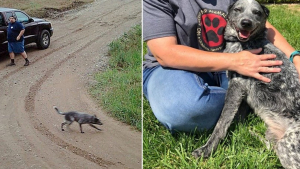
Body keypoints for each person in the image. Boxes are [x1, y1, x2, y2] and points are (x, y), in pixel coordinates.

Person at [143, 0, 300, 134]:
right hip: (173, 68)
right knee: (185, 110)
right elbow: (164, 53)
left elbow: (260, 22)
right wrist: (235, 62)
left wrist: (295, 58)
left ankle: (248, 104)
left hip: (227, 67)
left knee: (282, 85)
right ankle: (249, 105)